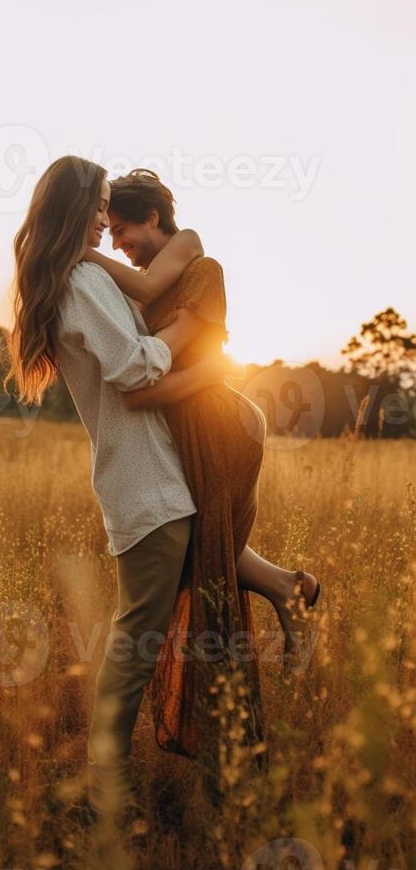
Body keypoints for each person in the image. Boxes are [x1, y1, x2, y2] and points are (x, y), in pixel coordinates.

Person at [3, 156, 234, 819]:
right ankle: (109, 791)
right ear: (79, 208)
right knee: (136, 648)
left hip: (152, 484)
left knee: (167, 612)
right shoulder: (81, 280)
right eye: (101, 205)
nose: (108, 220)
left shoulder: (77, 279)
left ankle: (276, 582)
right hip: (148, 487)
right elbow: (133, 371)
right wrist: (184, 337)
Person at [84, 169, 322, 779]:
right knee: (198, 540)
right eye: (105, 234)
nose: (116, 243)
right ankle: (286, 586)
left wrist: (75, 251)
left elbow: (213, 366)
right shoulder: (152, 280)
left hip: (220, 421)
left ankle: (283, 594)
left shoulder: (192, 253)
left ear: (154, 219)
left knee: (199, 539)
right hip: (190, 422)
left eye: (120, 229)